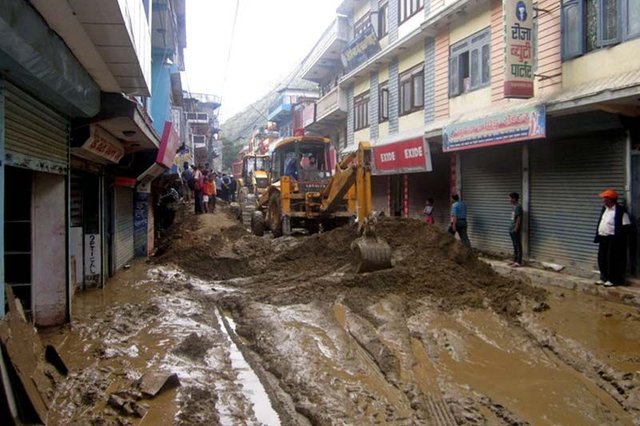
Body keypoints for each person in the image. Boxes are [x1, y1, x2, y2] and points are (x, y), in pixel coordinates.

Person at [594, 189, 631, 287]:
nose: (604, 200)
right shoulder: (604, 209)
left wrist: (619, 239)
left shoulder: (620, 211)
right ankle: (603, 277)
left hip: (614, 240)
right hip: (603, 237)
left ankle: (613, 279)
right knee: (602, 259)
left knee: (612, 260)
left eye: (605, 198)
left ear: (611, 199)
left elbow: (626, 226)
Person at [509, 192, 523, 267]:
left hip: (514, 229)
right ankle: (514, 260)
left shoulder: (518, 207)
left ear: (514, 198)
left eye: (510, 198)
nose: (509, 199)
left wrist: (516, 228)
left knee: (517, 245)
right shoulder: (514, 207)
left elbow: (519, 218)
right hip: (511, 228)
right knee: (514, 245)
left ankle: (518, 261)